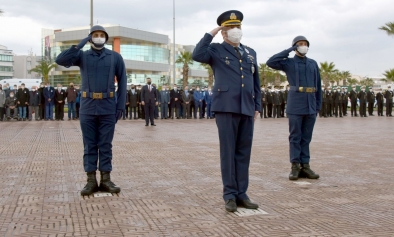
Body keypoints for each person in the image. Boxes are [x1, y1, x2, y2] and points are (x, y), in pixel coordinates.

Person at [192, 10, 261, 212]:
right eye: (230, 28)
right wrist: (212, 32)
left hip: (247, 107)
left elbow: (256, 82)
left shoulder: (250, 52)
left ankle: (242, 193)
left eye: (237, 27)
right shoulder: (215, 50)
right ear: (223, 32)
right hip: (226, 107)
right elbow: (197, 54)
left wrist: (257, 105)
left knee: (243, 152)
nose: (235, 31)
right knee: (228, 152)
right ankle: (229, 194)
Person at [56, 25, 126, 196]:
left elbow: (123, 81)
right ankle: (90, 180)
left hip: (108, 106)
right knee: (89, 145)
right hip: (87, 106)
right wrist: (79, 45)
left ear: (106, 38)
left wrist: (120, 106)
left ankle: (106, 179)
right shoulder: (82, 56)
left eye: (102, 35)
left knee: (105, 144)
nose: (99, 37)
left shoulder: (115, 57)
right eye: (95, 35)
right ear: (90, 37)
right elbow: (60, 60)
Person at [267, 35, 321, 181]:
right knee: (295, 136)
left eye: (305, 44)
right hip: (296, 102)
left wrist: (317, 105)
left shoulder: (312, 63)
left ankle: (306, 166)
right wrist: (289, 50)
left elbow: (318, 85)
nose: (303, 46)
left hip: (310, 103)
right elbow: (270, 62)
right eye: (300, 44)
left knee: (306, 137)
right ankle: (295, 166)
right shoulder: (288, 63)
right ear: (295, 46)